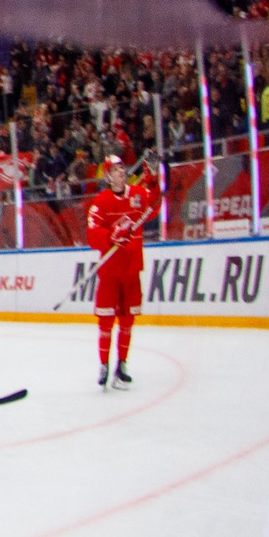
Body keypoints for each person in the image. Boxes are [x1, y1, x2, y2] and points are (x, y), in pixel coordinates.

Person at [84, 154, 157, 389]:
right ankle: (104, 365)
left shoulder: (138, 193)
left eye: (122, 168)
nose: (121, 172)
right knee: (106, 321)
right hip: (110, 271)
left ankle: (122, 365)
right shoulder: (101, 202)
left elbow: (154, 207)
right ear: (107, 176)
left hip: (131, 268)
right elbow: (92, 233)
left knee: (127, 320)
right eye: (115, 170)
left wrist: (154, 178)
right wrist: (111, 236)